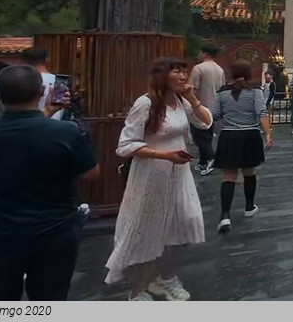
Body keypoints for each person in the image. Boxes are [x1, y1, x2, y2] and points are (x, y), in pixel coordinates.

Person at [0, 65, 97, 300]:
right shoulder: (65, 132)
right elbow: (91, 173)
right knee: (48, 296)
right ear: (41, 90)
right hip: (55, 230)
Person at [106, 57, 213, 301]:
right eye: (177, 71)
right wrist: (163, 154)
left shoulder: (180, 101)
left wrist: (193, 99)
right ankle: (138, 290)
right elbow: (126, 145)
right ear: (162, 75)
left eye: (184, 71)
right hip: (151, 174)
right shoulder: (145, 104)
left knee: (184, 223)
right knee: (148, 231)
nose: (183, 76)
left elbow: (206, 123)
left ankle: (166, 276)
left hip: (180, 174)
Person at [212, 60, 271, 234]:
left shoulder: (222, 93)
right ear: (249, 73)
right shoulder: (255, 92)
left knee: (228, 176)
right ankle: (249, 206)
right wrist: (268, 134)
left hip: (229, 136)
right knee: (249, 172)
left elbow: (213, 114)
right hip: (250, 136)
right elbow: (262, 112)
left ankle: (224, 215)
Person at [187, 45, 224, 176]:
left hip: (200, 107)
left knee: (200, 137)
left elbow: (192, 90)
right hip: (215, 107)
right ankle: (203, 161)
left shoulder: (198, 68)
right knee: (207, 135)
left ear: (204, 53)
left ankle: (211, 158)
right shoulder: (220, 70)